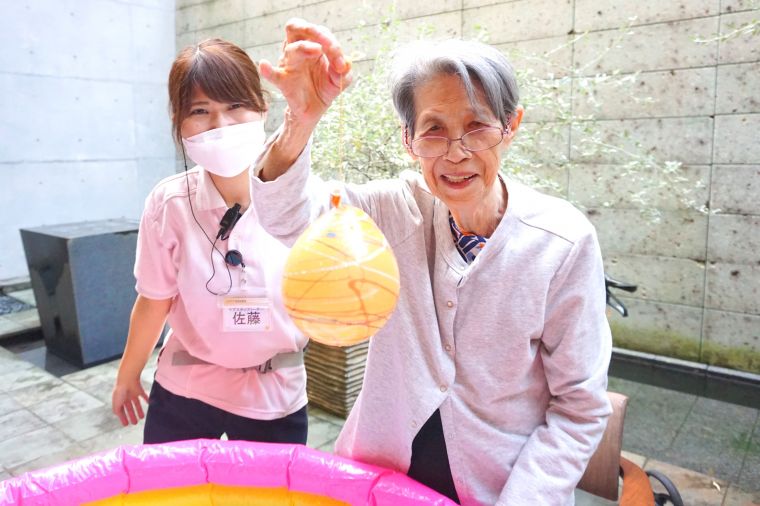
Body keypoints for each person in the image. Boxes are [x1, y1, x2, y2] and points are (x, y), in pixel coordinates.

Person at [254, 20, 611, 505]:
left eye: (477, 126)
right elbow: (285, 215)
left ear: (512, 126)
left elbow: (579, 408)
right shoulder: (391, 209)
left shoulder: (562, 242)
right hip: (374, 481)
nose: (456, 152)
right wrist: (301, 118)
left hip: (501, 489)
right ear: (409, 141)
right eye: (434, 130)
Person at [111, 38, 313, 445]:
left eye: (235, 107)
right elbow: (154, 300)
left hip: (273, 396)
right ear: (179, 124)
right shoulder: (168, 203)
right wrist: (127, 374)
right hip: (185, 388)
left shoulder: (306, 201)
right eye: (200, 111)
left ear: (263, 109)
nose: (220, 125)